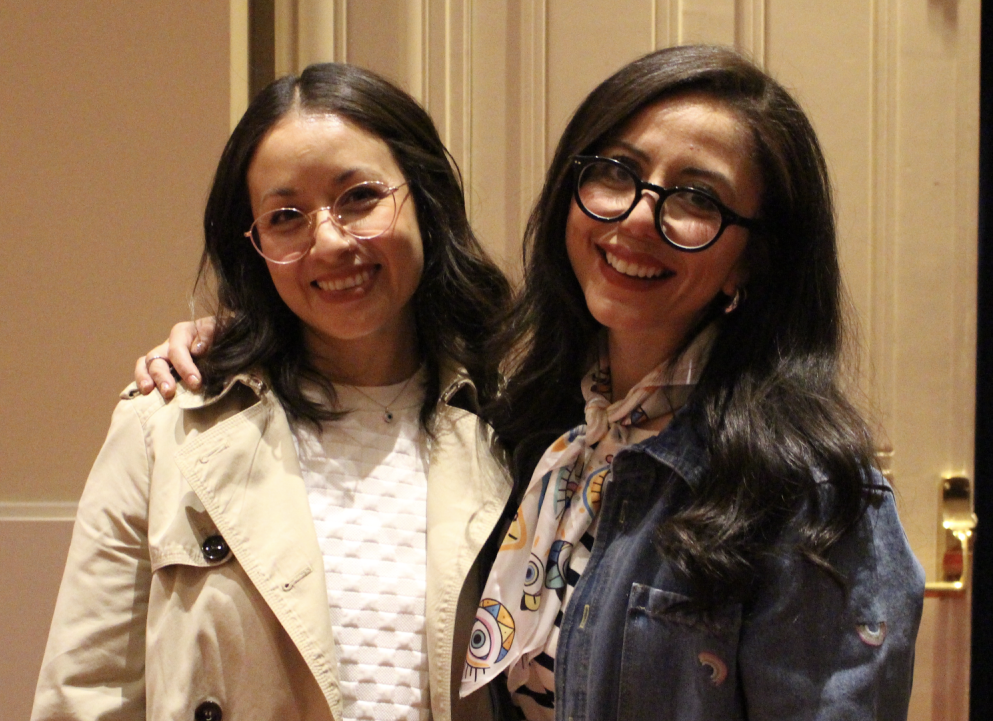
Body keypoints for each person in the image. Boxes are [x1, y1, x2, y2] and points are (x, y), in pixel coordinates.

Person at [138, 46, 925, 721]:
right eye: (617, 172)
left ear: (753, 258)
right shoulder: (540, 441)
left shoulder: (806, 494)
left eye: (696, 198)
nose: (638, 217)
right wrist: (225, 342)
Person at [33, 63, 513, 721]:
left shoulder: (514, 424)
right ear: (254, 246)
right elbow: (84, 695)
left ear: (423, 199)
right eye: (285, 216)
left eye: (359, 196)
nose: (329, 240)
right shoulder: (164, 424)